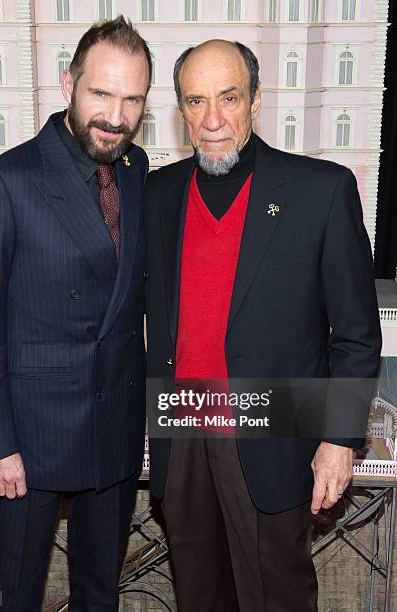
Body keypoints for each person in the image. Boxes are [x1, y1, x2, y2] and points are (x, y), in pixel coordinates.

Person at [145, 40, 381, 612]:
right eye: (196, 102)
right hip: (180, 428)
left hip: (272, 431)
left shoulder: (320, 190)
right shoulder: (157, 193)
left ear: (255, 101)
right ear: (182, 110)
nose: (213, 119)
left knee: (274, 596)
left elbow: (355, 333)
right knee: (199, 594)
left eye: (229, 97)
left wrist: (339, 440)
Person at [0, 16, 151, 612]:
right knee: (5, 597)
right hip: (26, 446)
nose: (115, 116)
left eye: (132, 99)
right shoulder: (2, 182)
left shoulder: (136, 174)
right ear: (69, 85)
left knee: (99, 597)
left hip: (112, 437)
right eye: (101, 93)